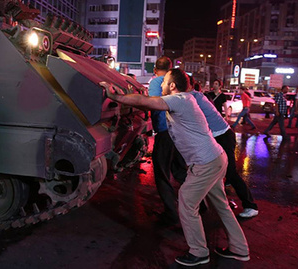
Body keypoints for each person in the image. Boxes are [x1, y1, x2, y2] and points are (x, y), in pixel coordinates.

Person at [100, 69, 249, 267]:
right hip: (215, 158)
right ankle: (239, 249)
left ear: (172, 86)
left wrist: (115, 96)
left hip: (206, 163)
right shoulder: (187, 98)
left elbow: (147, 102)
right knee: (220, 205)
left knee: (187, 202)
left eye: (163, 83)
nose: (160, 86)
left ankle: (198, 252)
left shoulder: (180, 99)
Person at [187, 80, 259, 219]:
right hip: (216, 136)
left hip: (223, 136)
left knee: (230, 173)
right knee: (216, 172)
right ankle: (221, 202)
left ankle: (250, 205)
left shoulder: (193, 97)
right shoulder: (197, 96)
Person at [148, 56, 187, 225]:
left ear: (155, 69)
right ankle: (201, 204)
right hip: (179, 131)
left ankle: (171, 212)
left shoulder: (156, 82)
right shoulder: (178, 80)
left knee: (162, 172)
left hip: (165, 132)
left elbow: (153, 104)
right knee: (179, 170)